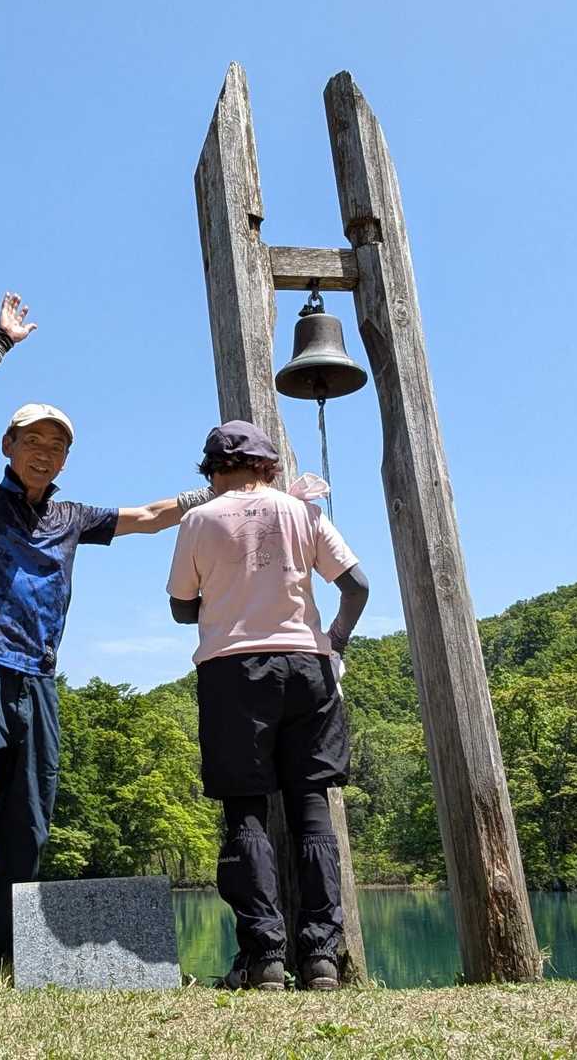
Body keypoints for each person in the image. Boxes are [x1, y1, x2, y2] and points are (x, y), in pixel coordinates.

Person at [0, 291, 210, 992]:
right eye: (33, 441)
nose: (44, 453)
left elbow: (150, 515)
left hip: (39, 681)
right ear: (9, 447)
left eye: (56, 446)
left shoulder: (74, 517)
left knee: (29, 829)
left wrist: (220, 490)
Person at [166, 420, 369, 991]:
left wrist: (221, 598)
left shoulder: (199, 519)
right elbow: (356, 585)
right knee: (311, 805)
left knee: (245, 810)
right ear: (268, 466)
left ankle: (265, 959)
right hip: (306, 665)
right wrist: (335, 641)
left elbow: (181, 607)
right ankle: (322, 957)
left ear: (212, 471)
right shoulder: (303, 512)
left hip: (232, 671)